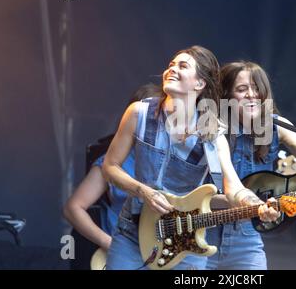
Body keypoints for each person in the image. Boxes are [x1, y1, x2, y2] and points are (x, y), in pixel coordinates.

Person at [102, 46, 279, 270]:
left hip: (184, 240)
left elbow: (233, 187)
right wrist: (142, 191)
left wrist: (257, 205)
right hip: (133, 232)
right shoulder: (139, 113)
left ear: (200, 84)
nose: (172, 70)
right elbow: (110, 166)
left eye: (183, 66)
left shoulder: (213, 132)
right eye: (171, 65)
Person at [206, 61, 296, 270]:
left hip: (246, 239)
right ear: (226, 97)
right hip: (204, 233)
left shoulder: (276, 126)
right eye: (242, 89)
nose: (251, 95)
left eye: (257, 88)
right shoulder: (211, 131)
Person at [63, 85, 157, 255]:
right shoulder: (111, 162)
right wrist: (110, 244)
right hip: (124, 253)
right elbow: (73, 208)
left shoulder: (175, 162)